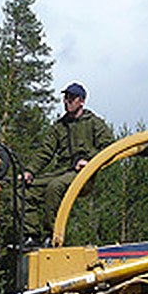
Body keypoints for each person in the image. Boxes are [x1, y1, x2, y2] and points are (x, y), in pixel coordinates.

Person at [20, 82, 114, 244]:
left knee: (54, 187)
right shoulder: (59, 126)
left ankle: (53, 235)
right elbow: (45, 151)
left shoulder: (94, 123)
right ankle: (31, 236)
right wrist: (29, 171)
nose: (67, 101)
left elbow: (109, 147)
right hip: (61, 171)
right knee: (23, 190)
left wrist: (88, 161)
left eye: (72, 98)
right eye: (66, 97)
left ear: (82, 101)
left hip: (83, 175)